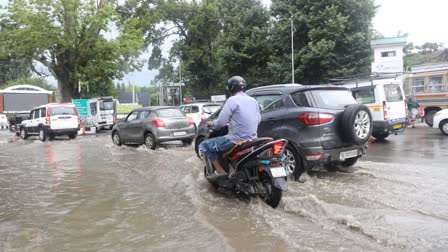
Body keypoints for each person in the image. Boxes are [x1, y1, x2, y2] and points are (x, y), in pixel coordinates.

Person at [199, 76, 261, 177]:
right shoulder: (253, 101)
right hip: (253, 140)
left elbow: (221, 123)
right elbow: (258, 120)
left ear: (231, 88)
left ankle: (220, 172)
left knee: (205, 145)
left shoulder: (232, 100)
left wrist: (212, 123)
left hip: (236, 140)